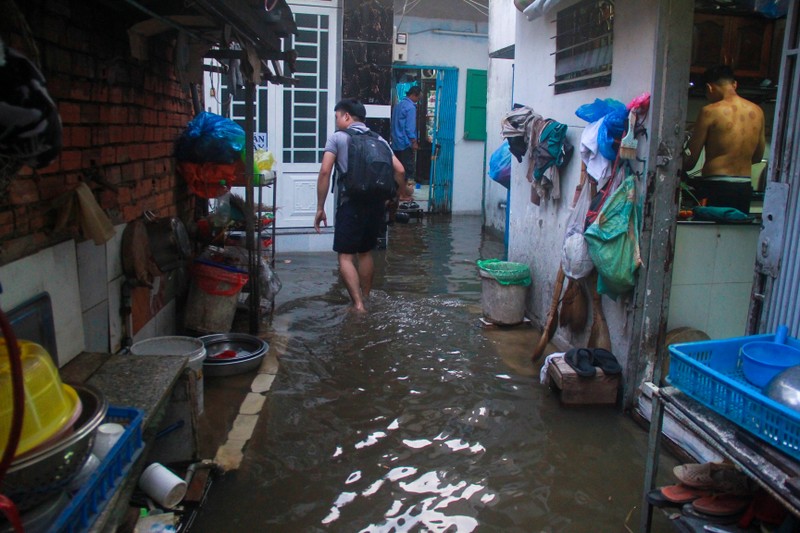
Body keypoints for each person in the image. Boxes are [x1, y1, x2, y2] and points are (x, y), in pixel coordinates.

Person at [314, 98, 405, 312]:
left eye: (337, 117)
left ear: (346, 116)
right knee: (365, 252)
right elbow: (400, 171)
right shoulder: (380, 140)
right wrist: (396, 198)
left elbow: (325, 171)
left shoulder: (338, 138)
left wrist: (320, 207)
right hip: (375, 205)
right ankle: (366, 297)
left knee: (346, 255)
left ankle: (358, 305)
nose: (336, 122)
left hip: (351, 203)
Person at [682, 65, 766, 214]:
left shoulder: (709, 111)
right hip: (744, 187)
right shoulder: (758, 111)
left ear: (710, 88)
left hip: (716, 186)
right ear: (734, 84)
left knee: (710, 235)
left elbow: (690, 161)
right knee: (734, 235)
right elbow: (758, 157)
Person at [391, 85, 422, 188]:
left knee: (397, 170)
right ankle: (406, 193)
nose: (418, 101)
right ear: (413, 95)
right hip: (405, 143)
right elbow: (409, 128)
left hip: (395, 143)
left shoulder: (398, 105)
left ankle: (398, 192)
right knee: (408, 171)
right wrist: (414, 142)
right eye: (418, 98)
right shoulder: (410, 107)